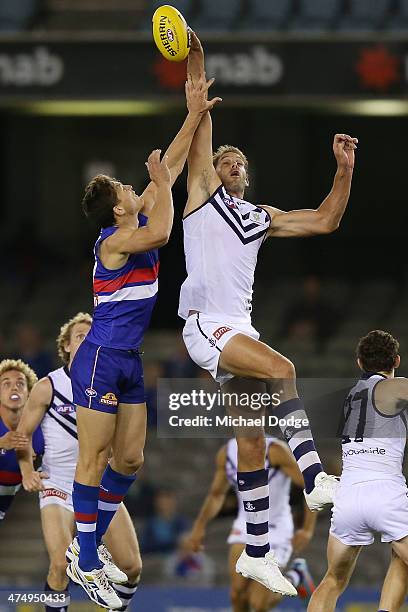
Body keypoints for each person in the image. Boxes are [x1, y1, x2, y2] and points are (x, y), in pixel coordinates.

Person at [179, 31, 356, 595]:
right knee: (284, 369)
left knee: (251, 444)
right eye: (222, 158)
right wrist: (195, 51)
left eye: (236, 160)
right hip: (208, 323)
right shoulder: (202, 194)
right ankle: (313, 476)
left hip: (238, 328)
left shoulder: (260, 216)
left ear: (246, 174)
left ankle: (257, 552)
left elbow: (325, 221)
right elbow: (199, 114)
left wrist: (344, 172)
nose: (226, 161)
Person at [66, 77, 221, 609]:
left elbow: (171, 166)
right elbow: (160, 235)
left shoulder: (136, 216)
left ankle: (86, 541)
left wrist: (194, 113)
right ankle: (85, 558)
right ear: (116, 210)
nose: (137, 189)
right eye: (128, 191)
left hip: (130, 360)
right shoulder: (115, 242)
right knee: (95, 457)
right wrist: (162, 190)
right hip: (100, 360)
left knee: (130, 461)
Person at [17, 313, 141, 612]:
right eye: (79, 336)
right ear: (67, 346)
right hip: (58, 484)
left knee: (131, 567)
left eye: (92, 335)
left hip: (98, 487)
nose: (86, 340)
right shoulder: (48, 386)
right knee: (61, 564)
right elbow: (22, 433)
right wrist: (26, 470)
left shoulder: (112, 385)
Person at [308, 330, 408, 612]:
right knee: (401, 559)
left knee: (333, 581)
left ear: (359, 363)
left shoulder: (349, 396)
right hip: (387, 492)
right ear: (396, 361)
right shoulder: (394, 387)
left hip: (348, 496)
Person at [188, 437, 316, 611]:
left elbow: (311, 485)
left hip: (275, 530)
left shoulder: (276, 451)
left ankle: (296, 575)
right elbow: (216, 495)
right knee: (237, 595)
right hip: (245, 527)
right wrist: (199, 527)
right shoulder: (227, 453)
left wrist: (307, 529)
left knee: (258, 604)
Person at [0, 359, 43, 520]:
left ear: (29, 392)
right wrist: (1, 443)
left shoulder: (41, 429)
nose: (14, 387)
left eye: (20, 383)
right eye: (6, 383)